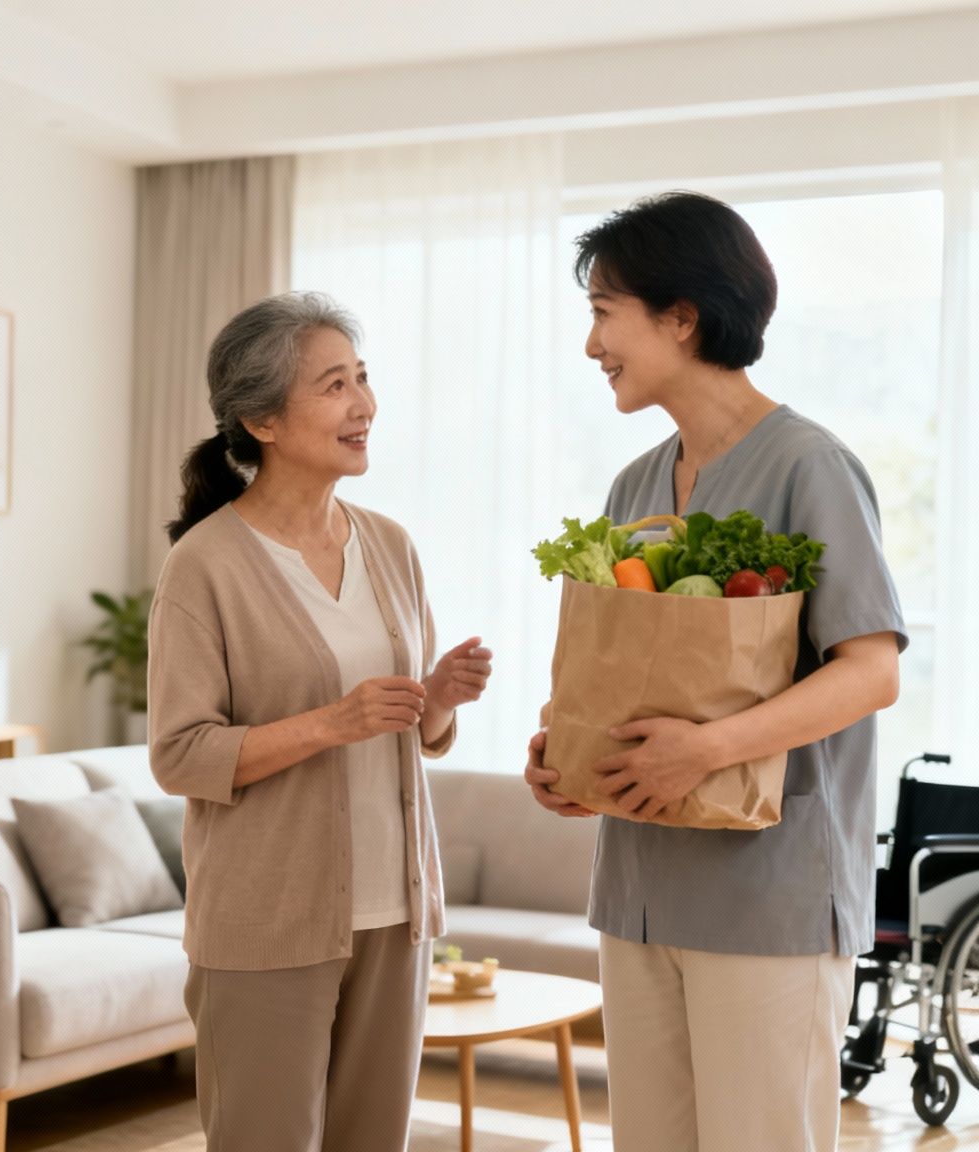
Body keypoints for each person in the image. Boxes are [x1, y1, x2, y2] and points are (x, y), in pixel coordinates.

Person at [524, 191, 905, 1152]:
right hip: (640, 886)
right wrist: (568, 755)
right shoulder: (635, 483)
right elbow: (625, 666)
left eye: (604, 312)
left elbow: (870, 672)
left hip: (768, 892)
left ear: (681, 316)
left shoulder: (809, 465)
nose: (591, 344)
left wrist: (706, 751)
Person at [148, 292, 492, 1151]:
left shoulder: (391, 544)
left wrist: (437, 697)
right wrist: (330, 722)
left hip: (396, 910)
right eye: (335, 385)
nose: (364, 405)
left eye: (364, 378)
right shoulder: (204, 567)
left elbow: (414, 730)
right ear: (262, 418)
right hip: (266, 920)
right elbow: (180, 755)